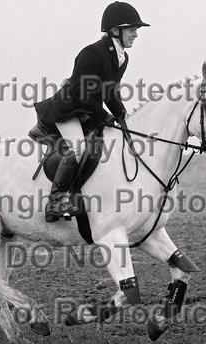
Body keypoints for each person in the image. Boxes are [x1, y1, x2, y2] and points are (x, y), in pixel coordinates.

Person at [34, 1, 149, 223]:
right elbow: (80, 93)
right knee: (80, 147)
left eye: (136, 30)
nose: (136, 34)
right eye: (132, 29)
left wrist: (122, 115)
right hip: (67, 110)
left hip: (86, 110)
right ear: (116, 30)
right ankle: (55, 202)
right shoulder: (92, 53)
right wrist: (104, 116)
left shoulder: (122, 57)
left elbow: (110, 92)